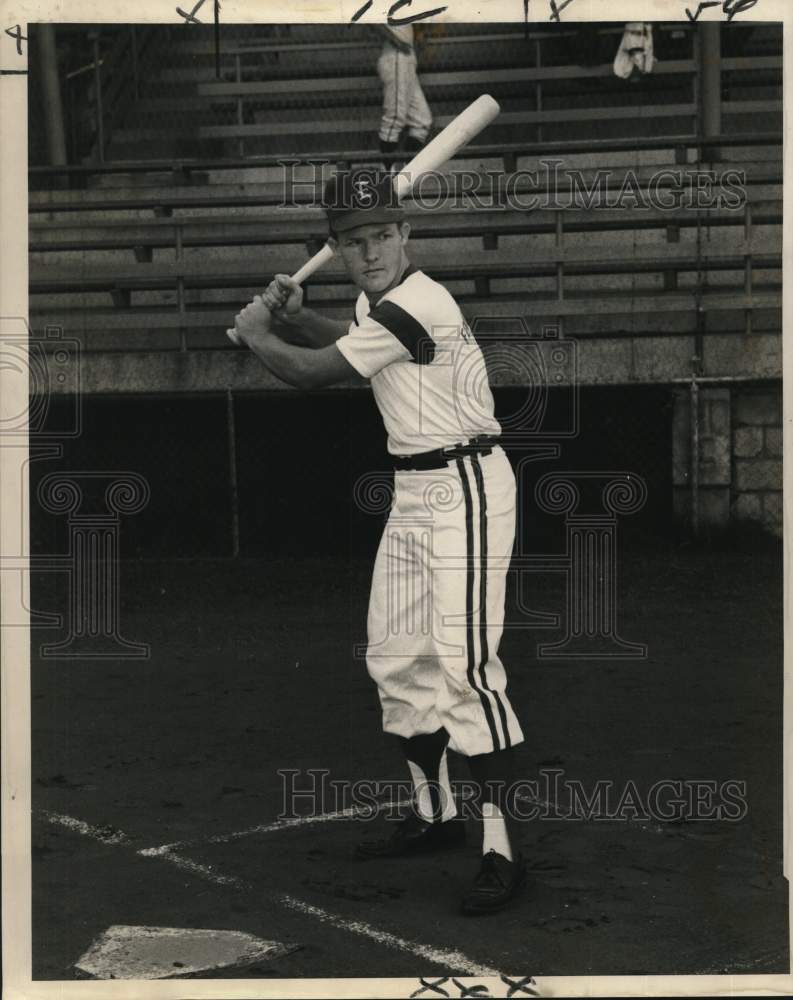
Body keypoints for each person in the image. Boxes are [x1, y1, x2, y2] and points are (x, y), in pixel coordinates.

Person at [231, 169, 525, 915]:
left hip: (465, 487)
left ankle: (501, 850)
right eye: (353, 241)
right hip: (415, 487)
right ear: (336, 248)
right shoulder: (381, 305)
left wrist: (263, 335)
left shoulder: (420, 300)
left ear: (405, 235)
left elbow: (315, 376)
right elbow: (357, 342)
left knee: (463, 665)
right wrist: (296, 320)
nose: (369, 252)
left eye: (381, 236)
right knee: (395, 655)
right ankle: (433, 816)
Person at [373, 25, 433, 162]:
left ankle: (406, 172)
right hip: (395, 55)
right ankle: (386, 175)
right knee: (394, 119)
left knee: (422, 121)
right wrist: (396, 41)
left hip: (407, 58)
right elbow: (370, 18)